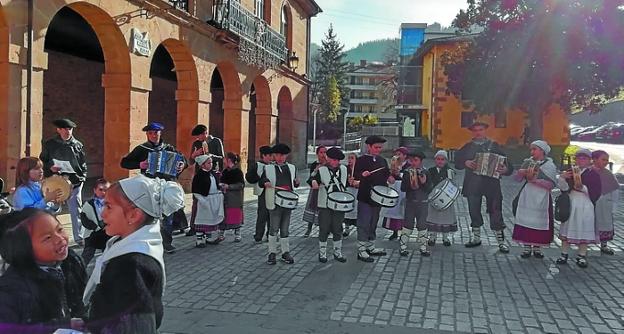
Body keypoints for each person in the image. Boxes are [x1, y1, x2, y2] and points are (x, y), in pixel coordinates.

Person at [83, 175, 184, 333]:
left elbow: (137, 326)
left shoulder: (130, 266)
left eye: (109, 207)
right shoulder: (127, 243)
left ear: (134, 215)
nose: (102, 214)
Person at [0, 208, 87, 333]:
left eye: (60, 229)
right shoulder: (11, 289)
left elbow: (81, 300)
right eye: (47, 238)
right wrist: (61, 325)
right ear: (23, 250)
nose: (60, 239)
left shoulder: (71, 262)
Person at [120, 122, 187, 253]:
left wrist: (181, 164)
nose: (153, 135)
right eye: (150, 133)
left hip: (167, 186)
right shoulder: (142, 149)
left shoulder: (168, 148)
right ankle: (149, 241)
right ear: (147, 135)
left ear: (160, 133)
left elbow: (183, 160)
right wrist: (140, 164)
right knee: (150, 214)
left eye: (156, 133)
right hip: (150, 186)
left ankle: (166, 243)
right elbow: (124, 163)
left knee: (167, 215)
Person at [455, 121, 513, 253]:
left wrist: (505, 169)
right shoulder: (468, 147)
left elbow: (507, 163)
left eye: (480, 129)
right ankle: (476, 238)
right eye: (475, 130)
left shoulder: (494, 145)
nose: (478, 132)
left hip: (491, 184)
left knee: (495, 211)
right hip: (473, 184)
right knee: (473, 210)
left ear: (485, 130)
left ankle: (501, 242)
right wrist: (466, 162)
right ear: (472, 132)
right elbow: (457, 162)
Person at [39, 118, 88, 246]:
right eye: (65, 129)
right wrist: (50, 167)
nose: (68, 132)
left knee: (75, 208)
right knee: (52, 207)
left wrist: (80, 178)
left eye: (70, 129)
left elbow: (83, 165)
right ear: (58, 130)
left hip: (75, 180)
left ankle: (79, 237)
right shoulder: (50, 144)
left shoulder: (77, 145)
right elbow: (43, 160)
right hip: (56, 179)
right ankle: (50, 232)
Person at [511, 141, 558, 258]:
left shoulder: (549, 166)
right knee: (526, 220)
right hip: (528, 194)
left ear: (542, 151)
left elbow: (552, 184)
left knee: (539, 221)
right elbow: (517, 179)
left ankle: (537, 247)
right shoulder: (527, 162)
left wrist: (536, 180)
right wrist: (521, 173)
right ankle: (526, 247)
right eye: (531, 149)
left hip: (541, 196)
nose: (532, 152)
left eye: (535, 149)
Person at [556, 148, 601, 268]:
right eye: (579, 158)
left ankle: (581, 255)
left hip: (585, 203)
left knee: (584, 226)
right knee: (568, 226)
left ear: (589, 160)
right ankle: (564, 253)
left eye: (584, 158)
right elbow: (564, 189)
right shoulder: (571, 171)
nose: (581, 160)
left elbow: (596, 191)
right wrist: (562, 177)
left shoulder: (593, 174)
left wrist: (582, 188)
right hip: (572, 201)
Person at [259, 143, 300, 265]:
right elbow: (262, 180)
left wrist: (297, 182)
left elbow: (294, 184)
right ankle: (272, 252)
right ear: (274, 156)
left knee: (285, 228)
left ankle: (285, 252)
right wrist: (265, 182)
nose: (280, 157)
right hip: (274, 201)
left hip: (287, 202)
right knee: (273, 228)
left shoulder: (292, 168)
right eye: (277, 155)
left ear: (286, 155)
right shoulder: (268, 168)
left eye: (282, 155)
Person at [353, 136, 391, 263]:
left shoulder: (382, 160)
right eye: (376, 147)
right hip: (365, 196)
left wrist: (391, 179)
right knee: (364, 222)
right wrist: (361, 175)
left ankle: (371, 246)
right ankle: (361, 249)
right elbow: (355, 174)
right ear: (369, 147)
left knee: (374, 222)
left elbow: (387, 176)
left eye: (380, 147)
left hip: (378, 197)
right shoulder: (361, 160)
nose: (378, 150)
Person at [311, 147, 348, 263]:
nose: (336, 162)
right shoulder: (321, 170)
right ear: (328, 158)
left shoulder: (344, 169)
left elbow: (347, 182)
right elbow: (312, 180)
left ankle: (338, 252)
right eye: (334, 160)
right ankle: (322, 254)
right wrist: (314, 182)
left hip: (339, 203)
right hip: (325, 204)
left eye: (338, 160)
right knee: (324, 229)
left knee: (338, 228)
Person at [400, 151, 432, 256]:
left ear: (421, 161)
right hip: (410, 202)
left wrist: (423, 183)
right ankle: (403, 247)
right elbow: (403, 188)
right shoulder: (406, 172)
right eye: (411, 160)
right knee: (407, 224)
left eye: (416, 160)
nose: (413, 163)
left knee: (422, 224)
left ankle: (423, 247)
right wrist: (411, 184)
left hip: (422, 203)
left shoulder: (426, 172)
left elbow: (429, 189)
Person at [426, 150, 458, 246]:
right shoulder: (430, 171)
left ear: (446, 161)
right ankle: (432, 237)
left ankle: (445, 238)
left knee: (446, 218)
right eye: (438, 159)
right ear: (435, 160)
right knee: (432, 216)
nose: (440, 161)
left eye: (442, 159)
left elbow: (452, 185)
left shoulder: (450, 171)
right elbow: (428, 184)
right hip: (433, 198)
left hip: (446, 199)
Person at [191, 155, 224, 247]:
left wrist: (219, 191)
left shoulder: (212, 174)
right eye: (208, 163)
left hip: (213, 200)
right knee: (202, 219)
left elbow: (215, 185)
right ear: (202, 165)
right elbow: (195, 190)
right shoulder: (199, 176)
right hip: (204, 200)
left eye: (211, 163)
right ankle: (199, 240)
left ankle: (208, 237)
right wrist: (202, 201)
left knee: (211, 219)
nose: (211, 164)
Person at [592, 150, 619, 255]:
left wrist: (614, 205)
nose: (606, 162)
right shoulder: (589, 172)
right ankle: (583, 244)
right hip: (592, 202)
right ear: (594, 159)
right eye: (603, 159)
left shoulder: (608, 174)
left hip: (605, 203)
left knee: (605, 222)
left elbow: (615, 189)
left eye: (607, 160)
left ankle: (604, 245)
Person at [79, 178, 111, 266]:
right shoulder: (89, 204)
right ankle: (80, 270)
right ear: (94, 190)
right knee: (88, 254)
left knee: (108, 253)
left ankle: (105, 272)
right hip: (93, 232)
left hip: (107, 232)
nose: (103, 192)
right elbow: (84, 218)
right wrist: (93, 227)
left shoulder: (112, 203)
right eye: (100, 190)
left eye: (106, 190)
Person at [246, 145, 274, 242]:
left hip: (272, 192)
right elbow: (249, 177)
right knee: (262, 214)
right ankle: (259, 234)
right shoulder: (257, 165)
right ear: (264, 155)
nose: (271, 157)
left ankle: (270, 233)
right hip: (262, 192)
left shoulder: (273, 165)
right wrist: (259, 179)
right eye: (269, 155)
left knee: (271, 214)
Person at [381, 147, 410, 240]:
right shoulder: (394, 164)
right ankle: (394, 231)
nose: (397, 156)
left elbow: (409, 176)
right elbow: (389, 175)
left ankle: (403, 233)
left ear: (405, 156)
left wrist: (400, 174)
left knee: (403, 210)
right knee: (393, 209)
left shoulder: (408, 165)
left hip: (403, 189)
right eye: (396, 154)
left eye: (399, 154)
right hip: (394, 187)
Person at [219, 152, 245, 242]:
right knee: (224, 216)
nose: (223, 161)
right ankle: (221, 233)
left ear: (229, 160)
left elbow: (241, 185)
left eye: (224, 159)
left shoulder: (238, 171)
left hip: (235, 198)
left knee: (235, 216)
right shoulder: (225, 171)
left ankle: (237, 233)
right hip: (225, 198)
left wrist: (229, 187)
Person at [303, 145, 327, 237]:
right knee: (312, 208)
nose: (323, 154)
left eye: (325, 152)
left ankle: (324, 229)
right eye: (321, 152)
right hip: (315, 190)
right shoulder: (314, 164)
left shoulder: (329, 164)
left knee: (323, 211)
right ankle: (309, 229)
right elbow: (310, 177)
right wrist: (316, 170)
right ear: (317, 154)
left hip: (324, 190)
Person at [343, 153, 359, 237]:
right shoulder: (345, 169)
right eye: (349, 158)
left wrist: (356, 182)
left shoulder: (359, 169)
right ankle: (347, 228)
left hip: (356, 192)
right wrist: (347, 181)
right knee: (347, 209)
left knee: (356, 209)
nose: (350, 160)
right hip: (348, 191)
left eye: (352, 158)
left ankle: (358, 228)